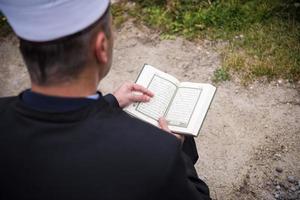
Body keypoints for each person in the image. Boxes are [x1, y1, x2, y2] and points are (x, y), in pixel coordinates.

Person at [0, 0, 211, 199]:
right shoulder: (155, 151)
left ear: (24, 49)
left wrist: (110, 102)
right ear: (101, 48)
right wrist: (176, 154)